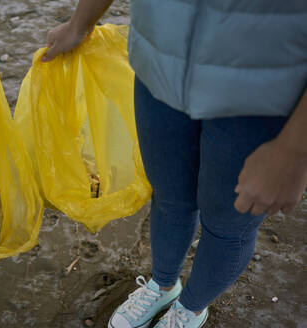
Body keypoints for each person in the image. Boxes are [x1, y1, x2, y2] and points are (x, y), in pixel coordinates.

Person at [43, 1, 307, 327]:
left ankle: (191, 308)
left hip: (260, 96)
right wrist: (79, 24)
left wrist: (294, 152)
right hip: (160, 68)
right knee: (169, 196)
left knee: (227, 223)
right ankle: (163, 285)